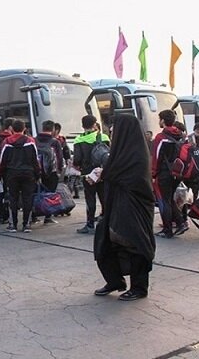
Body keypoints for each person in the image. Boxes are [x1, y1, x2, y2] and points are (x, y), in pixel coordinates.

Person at [93, 114, 156, 301]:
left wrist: (105, 173)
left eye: (115, 129)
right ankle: (115, 281)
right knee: (104, 241)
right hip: (116, 204)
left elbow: (126, 176)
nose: (112, 132)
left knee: (135, 244)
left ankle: (139, 287)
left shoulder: (136, 153)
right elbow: (113, 172)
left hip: (134, 205)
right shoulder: (121, 151)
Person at [0, 119, 40, 233]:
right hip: (28, 173)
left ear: (12, 129)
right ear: (24, 128)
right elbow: (35, 159)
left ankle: (13, 224)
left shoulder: (7, 142)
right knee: (28, 198)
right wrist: (37, 174)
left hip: (12, 173)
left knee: (13, 198)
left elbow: (2, 160)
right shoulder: (30, 141)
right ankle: (27, 224)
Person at [151, 110, 186, 238]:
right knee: (169, 199)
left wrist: (153, 174)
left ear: (163, 121)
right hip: (177, 172)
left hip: (163, 173)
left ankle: (167, 229)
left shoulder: (161, 137)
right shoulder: (181, 135)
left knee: (163, 201)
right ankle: (181, 223)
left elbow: (156, 157)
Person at [73, 115, 109, 234]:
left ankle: (90, 225)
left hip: (88, 175)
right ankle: (107, 221)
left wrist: (78, 166)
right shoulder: (103, 137)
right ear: (95, 124)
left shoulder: (79, 140)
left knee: (90, 198)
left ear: (83, 126)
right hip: (102, 173)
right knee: (104, 198)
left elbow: (77, 159)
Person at [35, 120, 64, 224]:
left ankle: (34, 215)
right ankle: (48, 217)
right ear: (52, 129)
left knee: (36, 193)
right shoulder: (55, 142)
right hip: (51, 171)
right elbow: (60, 158)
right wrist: (60, 170)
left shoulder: (35, 140)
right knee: (50, 193)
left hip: (36, 171)